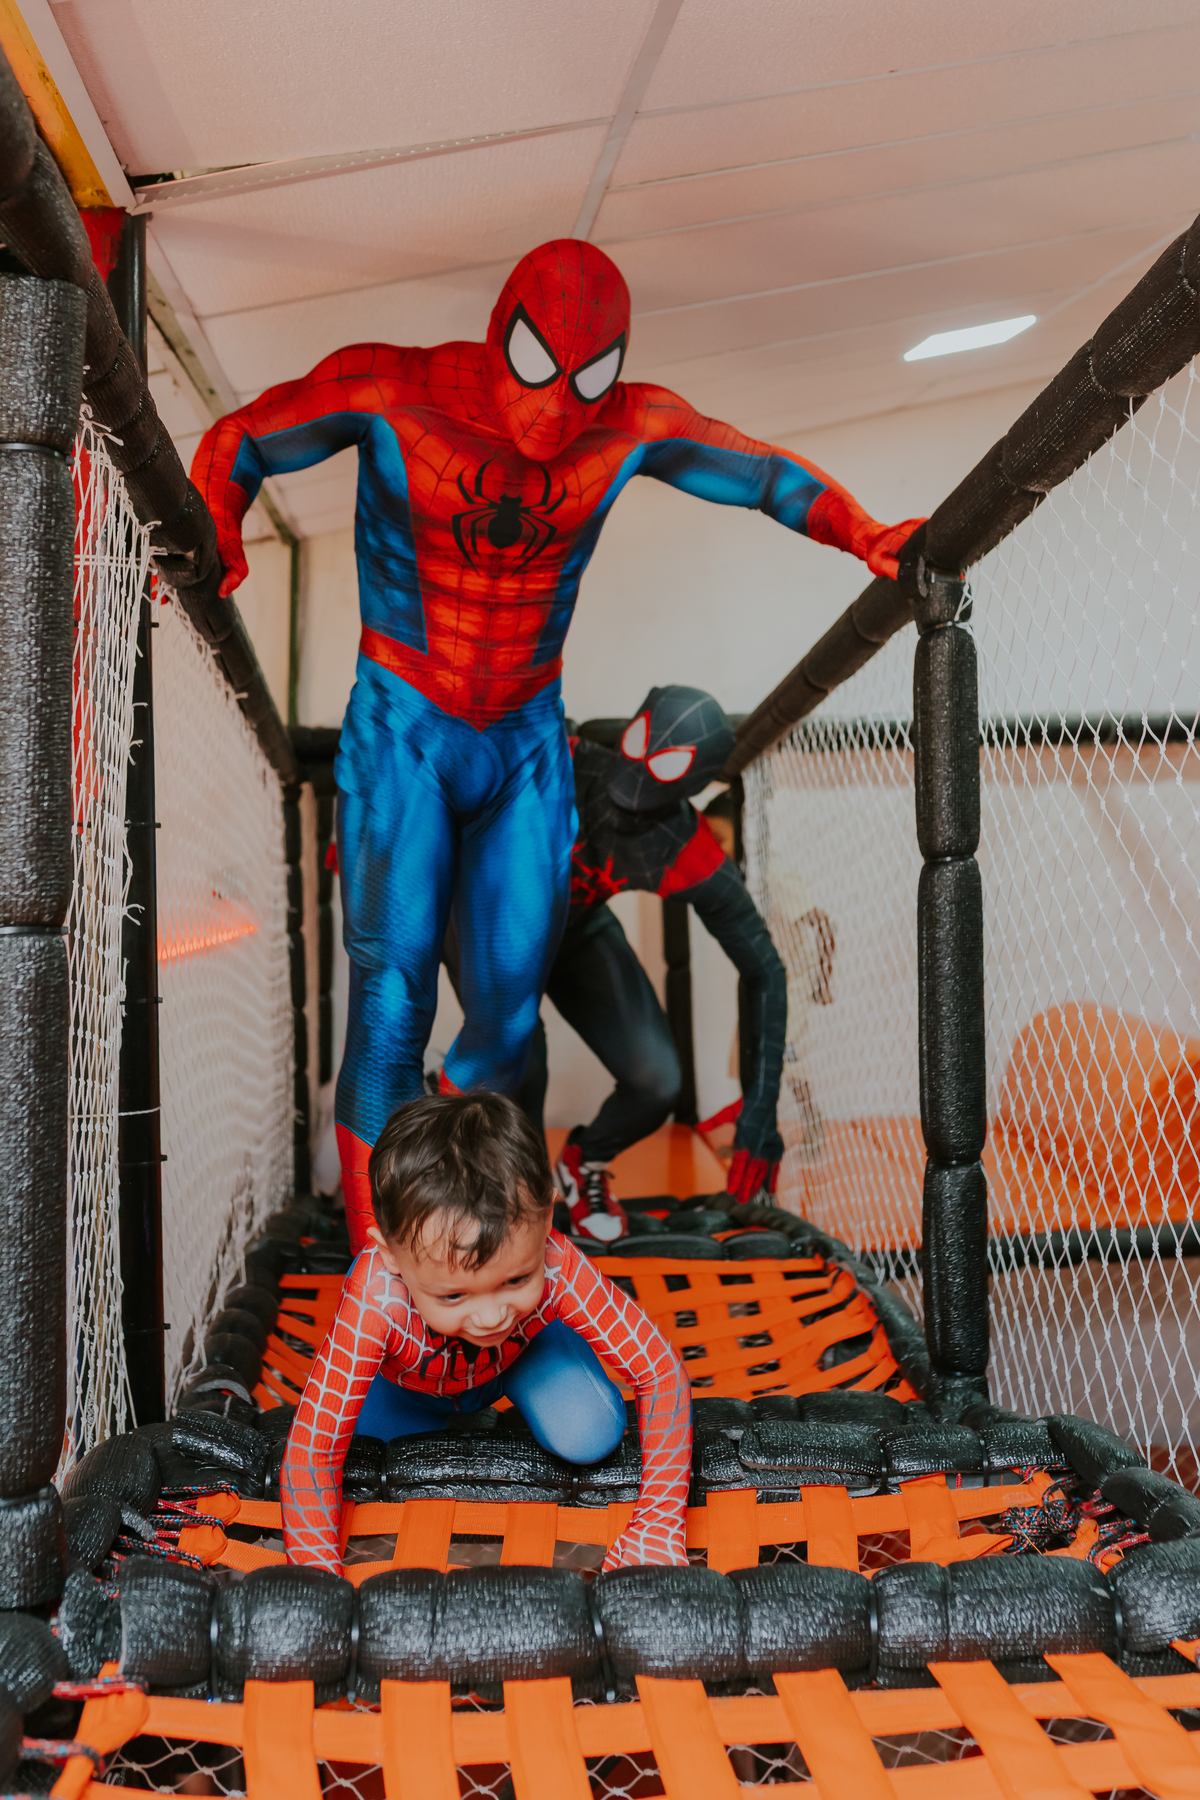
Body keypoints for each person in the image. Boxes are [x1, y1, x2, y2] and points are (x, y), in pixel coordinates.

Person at [192, 236, 923, 1253]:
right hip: (406, 716)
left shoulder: (626, 429)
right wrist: (218, 525)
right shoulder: (397, 389)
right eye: (537, 367)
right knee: (391, 987)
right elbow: (242, 436)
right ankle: (380, 1272)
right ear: (500, 337)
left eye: (587, 381)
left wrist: (864, 532)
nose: (556, 405)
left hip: (526, 737)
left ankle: (447, 1205)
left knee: (505, 1022)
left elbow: (759, 473)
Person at [281, 1091, 692, 1573]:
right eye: (453, 1296)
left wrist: (659, 1525)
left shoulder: (557, 1263)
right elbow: (315, 1443)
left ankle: (542, 1362)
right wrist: (314, 1573)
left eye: (515, 1280)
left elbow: (660, 1371)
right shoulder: (377, 1294)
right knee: (370, 1464)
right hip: (410, 1388)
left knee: (590, 1433)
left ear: (547, 1219)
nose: (491, 1317)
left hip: (523, 1357)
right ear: (390, 1255)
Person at [445, 687, 787, 1241]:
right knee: (522, 1057)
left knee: (657, 1079)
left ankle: (582, 1164)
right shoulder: (560, 757)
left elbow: (764, 967)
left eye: (670, 762)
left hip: (575, 929)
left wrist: (759, 1110)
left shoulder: (684, 846)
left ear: (694, 785)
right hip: (484, 918)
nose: (644, 770)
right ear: (634, 726)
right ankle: (521, 1199)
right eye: (644, 742)